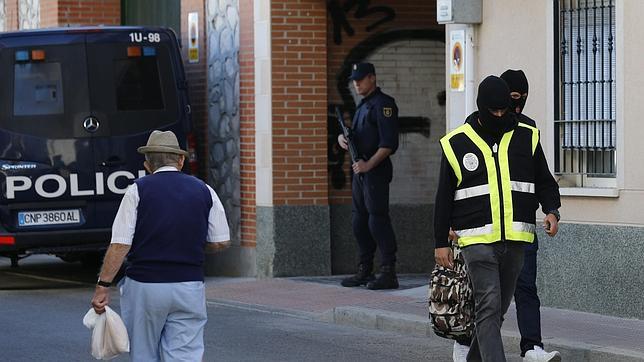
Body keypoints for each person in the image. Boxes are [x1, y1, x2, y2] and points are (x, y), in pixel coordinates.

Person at [434, 76, 561, 361]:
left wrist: (552, 210)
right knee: (489, 305)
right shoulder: (457, 143)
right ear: (482, 107)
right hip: (476, 240)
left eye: (505, 109)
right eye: (495, 111)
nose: (501, 115)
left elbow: (544, 180)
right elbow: (443, 196)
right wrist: (440, 241)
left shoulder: (526, 136)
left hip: (517, 239)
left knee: (498, 309)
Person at [90, 130, 230, 361]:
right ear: (181, 160)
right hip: (189, 285)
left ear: (147, 165)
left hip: (146, 285)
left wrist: (102, 286)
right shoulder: (205, 190)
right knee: (185, 355)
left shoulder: (137, 190)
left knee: (144, 352)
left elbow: (120, 245)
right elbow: (220, 241)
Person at [501, 69, 562, 362]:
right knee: (487, 293)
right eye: (513, 98)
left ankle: (532, 348)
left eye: (523, 99)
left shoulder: (529, 130)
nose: (518, 105)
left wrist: (551, 210)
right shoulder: (476, 126)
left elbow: (543, 177)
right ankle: (467, 343)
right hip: (486, 228)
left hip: (523, 228)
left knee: (526, 288)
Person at [338, 62, 400, 290]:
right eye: (354, 79)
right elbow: (357, 136)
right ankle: (365, 269)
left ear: (372, 78)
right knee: (359, 221)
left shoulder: (384, 105)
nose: (356, 83)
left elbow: (388, 144)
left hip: (375, 171)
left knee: (377, 220)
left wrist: (368, 165)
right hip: (360, 170)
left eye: (360, 79)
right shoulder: (363, 105)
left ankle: (388, 271)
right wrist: (342, 140)